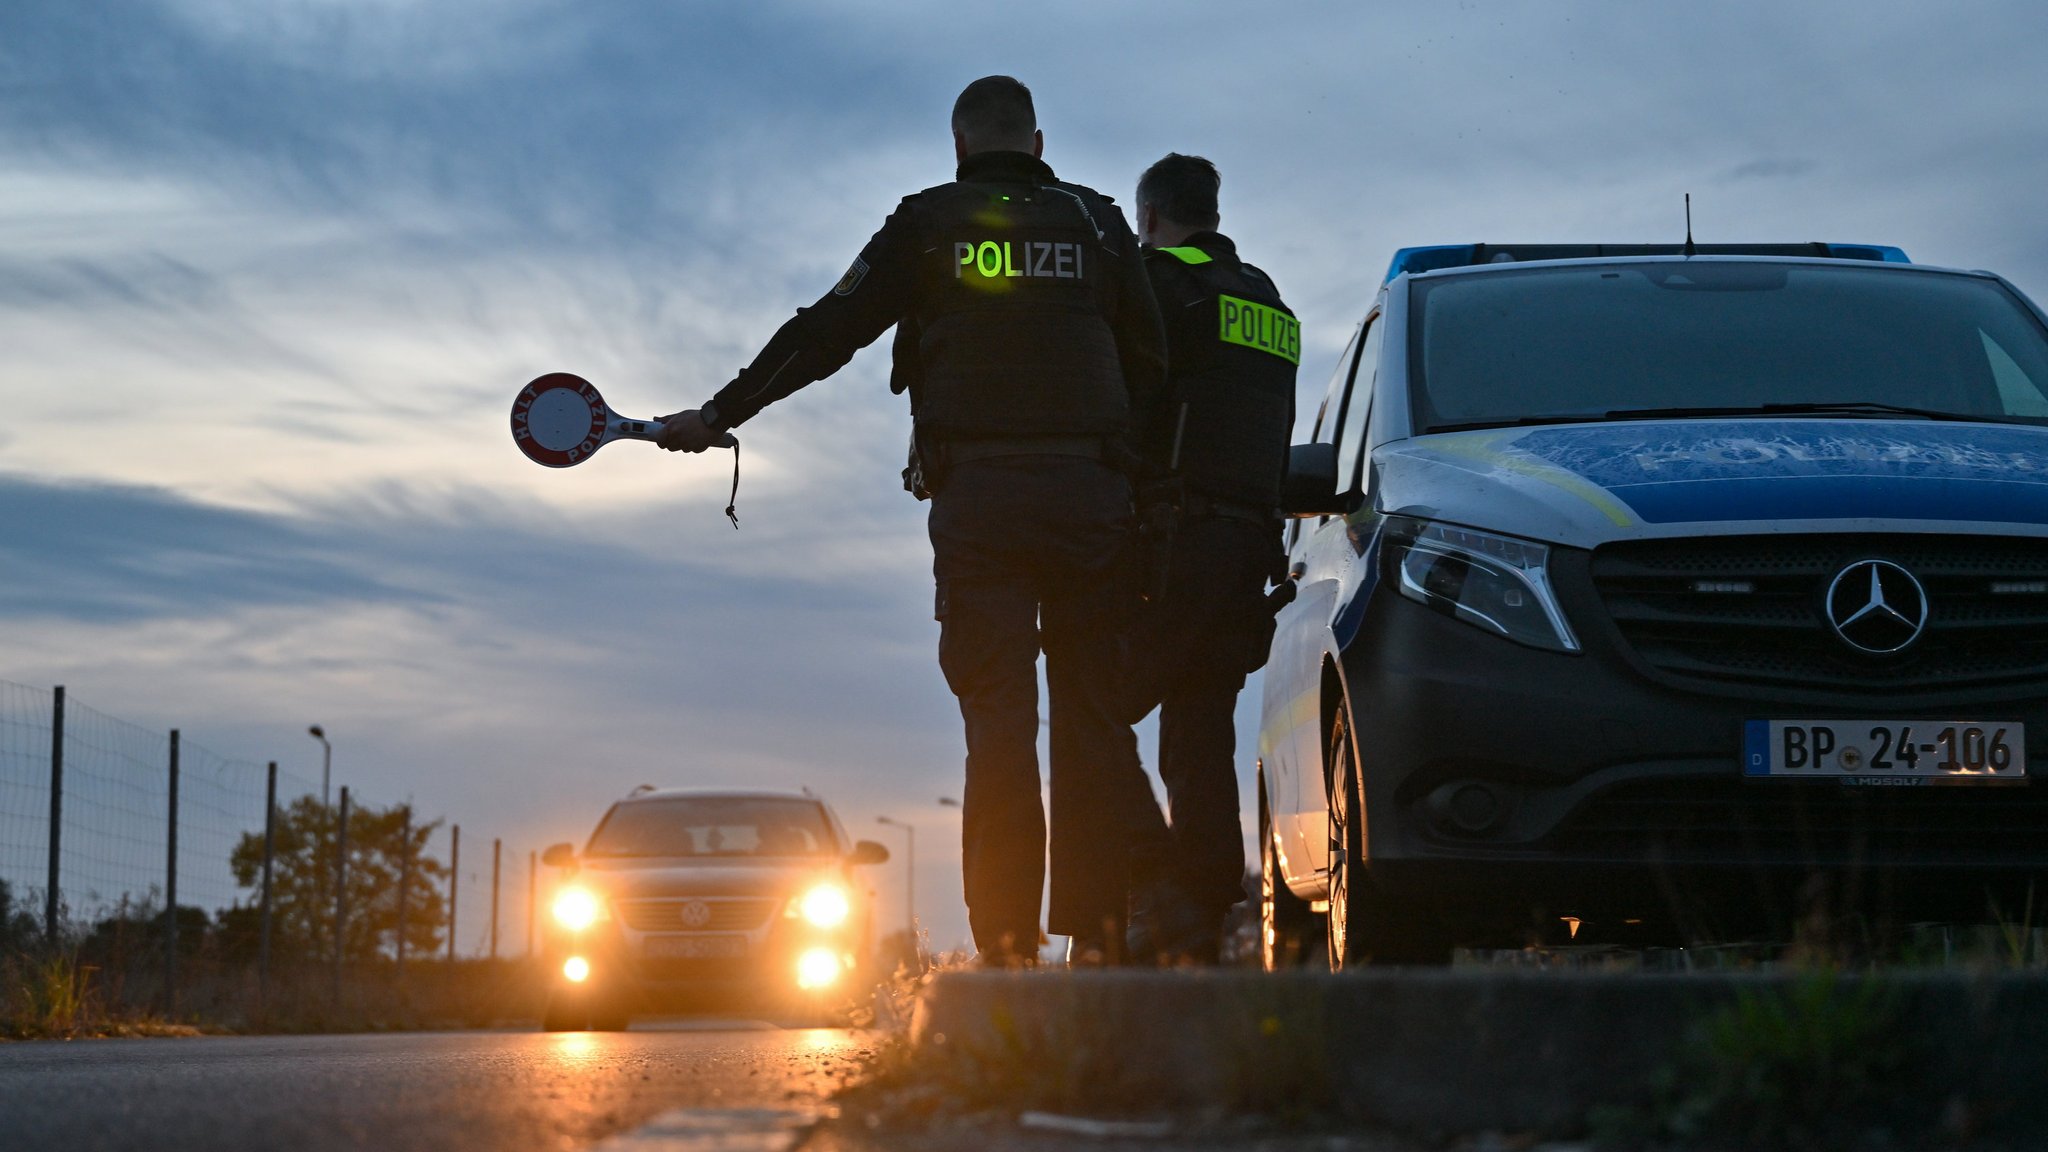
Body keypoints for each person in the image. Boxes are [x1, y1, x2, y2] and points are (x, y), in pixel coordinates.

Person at [656, 77, 1168, 966]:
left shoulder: (928, 222)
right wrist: (1137, 492)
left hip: (981, 505)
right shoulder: (1096, 222)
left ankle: (1004, 952)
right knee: (1093, 721)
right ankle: (1101, 945)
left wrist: (722, 413)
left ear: (960, 147)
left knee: (999, 724)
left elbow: (829, 330)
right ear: (1037, 142)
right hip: (1093, 501)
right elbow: (1150, 360)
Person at [1121, 153, 1299, 964]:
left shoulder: (1161, 284)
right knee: (1199, 737)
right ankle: (1199, 918)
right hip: (1247, 553)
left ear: (1151, 217)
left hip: (1172, 542)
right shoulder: (1269, 299)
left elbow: (1130, 407)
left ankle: (1158, 892)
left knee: (1098, 708)